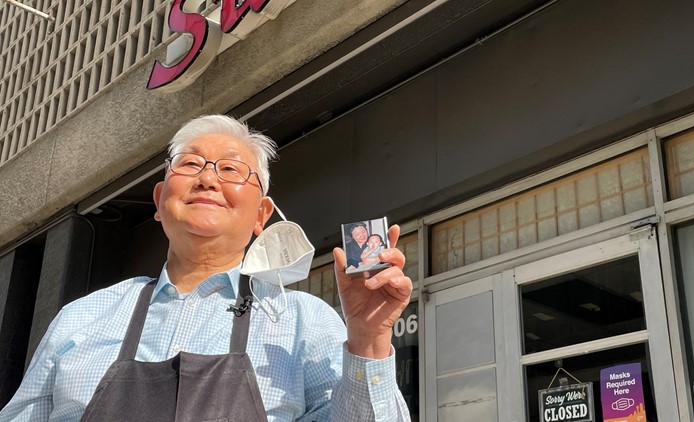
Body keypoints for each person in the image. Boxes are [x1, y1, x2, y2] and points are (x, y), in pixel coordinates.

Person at [0, 115, 412, 421]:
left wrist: (369, 340)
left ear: (261, 214)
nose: (208, 180)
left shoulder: (303, 321)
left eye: (231, 169)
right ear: (160, 201)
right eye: (191, 165)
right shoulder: (82, 318)